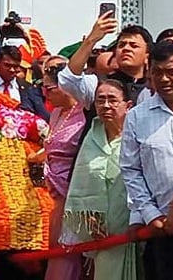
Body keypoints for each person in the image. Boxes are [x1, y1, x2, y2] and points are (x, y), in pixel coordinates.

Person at [121, 41, 173, 280]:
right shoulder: (136, 117)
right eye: (157, 73)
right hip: (164, 231)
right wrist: (150, 214)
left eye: (172, 72)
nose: (164, 79)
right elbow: (131, 171)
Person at [63, 80, 140, 280]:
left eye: (112, 100)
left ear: (128, 105)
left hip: (135, 225)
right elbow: (81, 183)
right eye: (100, 100)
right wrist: (89, 220)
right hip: (102, 231)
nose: (106, 105)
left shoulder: (137, 136)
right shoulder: (92, 137)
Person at [37, 63, 86, 280]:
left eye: (51, 88)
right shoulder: (55, 113)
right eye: (43, 87)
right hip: (51, 186)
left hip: (72, 184)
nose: (45, 93)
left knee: (68, 244)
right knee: (54, 244)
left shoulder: (84, 112)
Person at [0, 46, 49, 121]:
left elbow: (42, 116)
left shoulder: (29, 88)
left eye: (15, 66)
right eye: (7, 65)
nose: (12, 70)